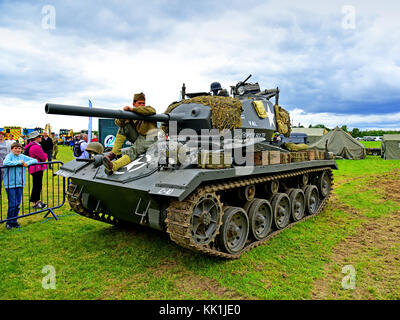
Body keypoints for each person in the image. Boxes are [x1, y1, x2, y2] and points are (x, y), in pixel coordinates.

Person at [102, 92, 157, 175]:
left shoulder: (147, 110)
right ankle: (114, 153)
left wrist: (132, 109)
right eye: (139, 103)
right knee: (124, 126)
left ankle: (113, 166)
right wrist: (124, 115)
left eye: (143, 103)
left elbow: (152, 110)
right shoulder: (133, 114)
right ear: (134, 103)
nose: (142, 105)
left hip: (150, 138)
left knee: (132, 151)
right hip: (139, 137)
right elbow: (118, 123)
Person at [3, 142, 37, 229]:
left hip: (20, 183)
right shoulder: (9, 156)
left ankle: (14, 221)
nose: (18, 150)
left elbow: (35, 160)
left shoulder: (22, 156)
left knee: (17, 204)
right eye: (15, 148)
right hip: (10, 184)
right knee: (12, 203)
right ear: (12, 149)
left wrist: (27, 163)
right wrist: (19, 163)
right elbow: (5, 163)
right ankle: (9, 222)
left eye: (19, 148)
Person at [25, 131, 48, 209]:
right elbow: (44, 157)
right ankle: (36, 202)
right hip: (37, 168)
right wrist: (46, 154)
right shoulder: (36, 147)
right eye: (39, 137)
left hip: (34, 168)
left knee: (36, 185)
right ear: (35, 138)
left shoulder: (30, 145)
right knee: (37, 185)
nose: (41, 138)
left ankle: (36, 201)